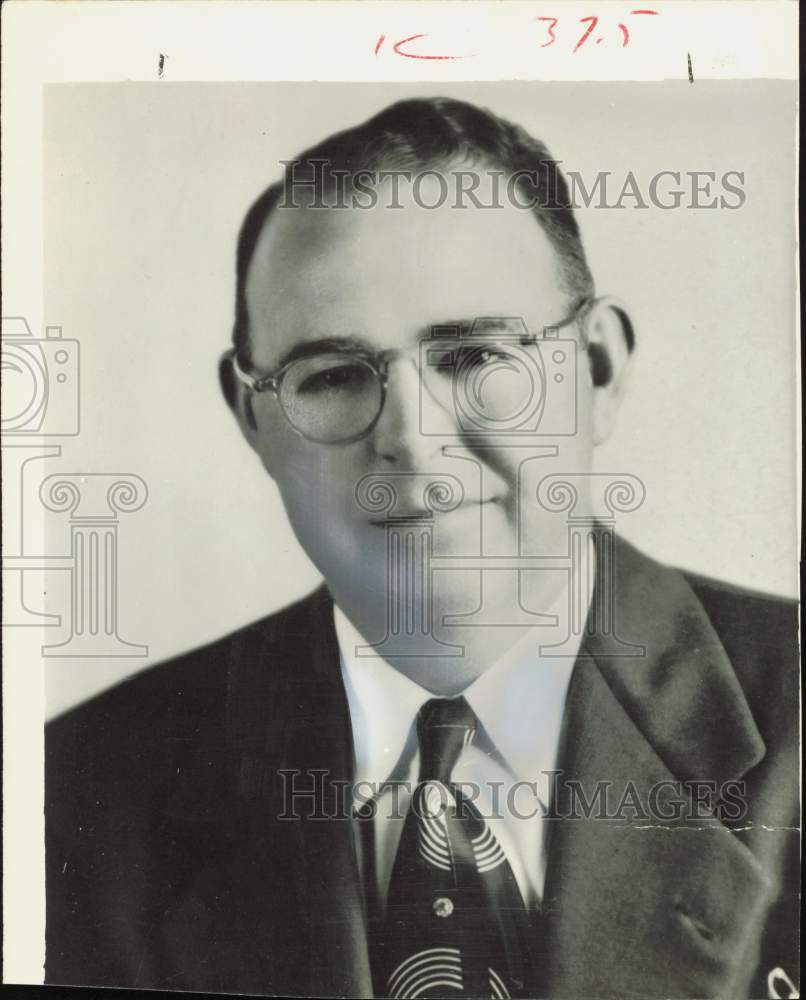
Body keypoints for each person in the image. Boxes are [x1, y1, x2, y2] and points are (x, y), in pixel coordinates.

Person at [45, 98, 799, 999]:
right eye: (330, 377)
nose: (412, 439)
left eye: (475, 357)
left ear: (596, 368)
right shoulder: (75, 792)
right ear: (253, 417)